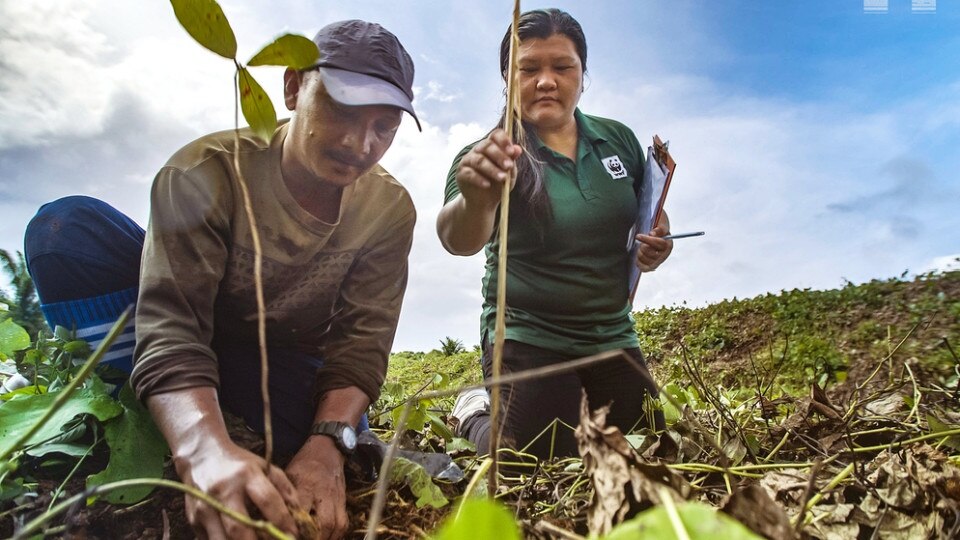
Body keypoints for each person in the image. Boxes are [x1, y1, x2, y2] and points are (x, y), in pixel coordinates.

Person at [24, 20, 419, 540]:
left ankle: (244, 431)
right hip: (189, 338)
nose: (358, 142)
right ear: (294, 86)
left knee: (322, 435)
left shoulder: (387, 210)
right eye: (342, 109)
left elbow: (361, 345)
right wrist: (200, 446)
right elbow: (170, 325)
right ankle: (135, 418)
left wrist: (327, 444)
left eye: (383, 126)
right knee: (65, 231)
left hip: (282, 367)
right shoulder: (205, 170)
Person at [437, 8, 669, 460]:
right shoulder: (488, 155)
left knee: (647, 449)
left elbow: (647, 213)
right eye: (529, 69)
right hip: (527, 332)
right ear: (508, 79)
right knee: (535, 458)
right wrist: (477, 199)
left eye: (563, 67)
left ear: (583, 74)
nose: (547, 81)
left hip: (610, 333)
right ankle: (473, 414)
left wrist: (658, 238)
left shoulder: (617, 139)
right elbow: (456, 238)